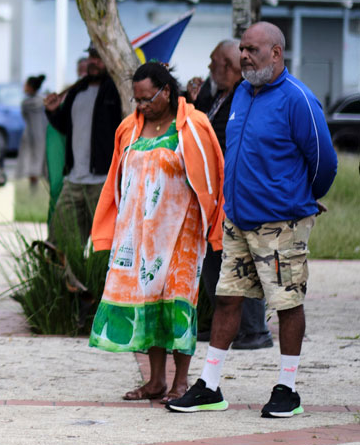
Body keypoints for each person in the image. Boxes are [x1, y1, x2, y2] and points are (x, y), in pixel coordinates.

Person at [168, 22, 337, 418]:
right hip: (237, 220)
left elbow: (325, 163)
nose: (244, 56)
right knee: (227, 298)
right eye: (242, 49)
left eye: (252, 50)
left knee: (287, 302)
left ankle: (287, 389)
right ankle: (209, 386)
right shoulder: (241, 93)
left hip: (281, 222)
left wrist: (301, 199)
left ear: (276, 53)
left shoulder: (298, 99)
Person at [88, 61, 224, 404]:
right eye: (137, 100)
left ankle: (180, 383)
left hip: (181, 231)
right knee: (148, 300)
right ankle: (155, 381)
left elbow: (212, 179)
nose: (142, 106)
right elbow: (115, 180)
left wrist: (216, 227)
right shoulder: (129, 129)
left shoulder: (193, 126)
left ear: (166, 91)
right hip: (137, 234)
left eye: (148, 99)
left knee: (177, 301)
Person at [195, 40, 272, 349]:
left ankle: (254, 331)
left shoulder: (248, 94)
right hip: (213, 193)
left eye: (213, 63)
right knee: (213, 260)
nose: (209, 70)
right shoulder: (219, 94)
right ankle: (226, 327)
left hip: (240, 192)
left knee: (241, 261)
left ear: (227, 65)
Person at [44, 45, 123, 249]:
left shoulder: (116, 92)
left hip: (103, 182)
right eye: (90, 57)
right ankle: (65, 279)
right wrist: (52, 112)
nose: (93, 62)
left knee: (103, 244)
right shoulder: (76, 91)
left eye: (99, 57)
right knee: (60, 239)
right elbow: (64, 126)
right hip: (74, 180)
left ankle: (96, 280)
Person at [17, 74, 47, 191]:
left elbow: (24, 116)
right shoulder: (44, 101)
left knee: (30, 161)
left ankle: (33, 189)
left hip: (29, 134)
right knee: (41, 160)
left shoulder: (25, 103)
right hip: (43, 133)